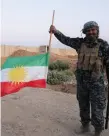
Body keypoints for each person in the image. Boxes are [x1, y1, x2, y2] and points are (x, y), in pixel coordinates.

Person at [49, 21, 109, 136]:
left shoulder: (104, 46)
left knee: (97, 108)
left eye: (93, 30)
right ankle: (85, 126)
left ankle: (97, 131)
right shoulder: (79, 43)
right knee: (83, 105)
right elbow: (65, 39)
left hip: (97, 84)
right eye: (88, 30)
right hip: (82, 83)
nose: (91, 32)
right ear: (85, 32)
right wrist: (55, 31)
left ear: (97, 30)